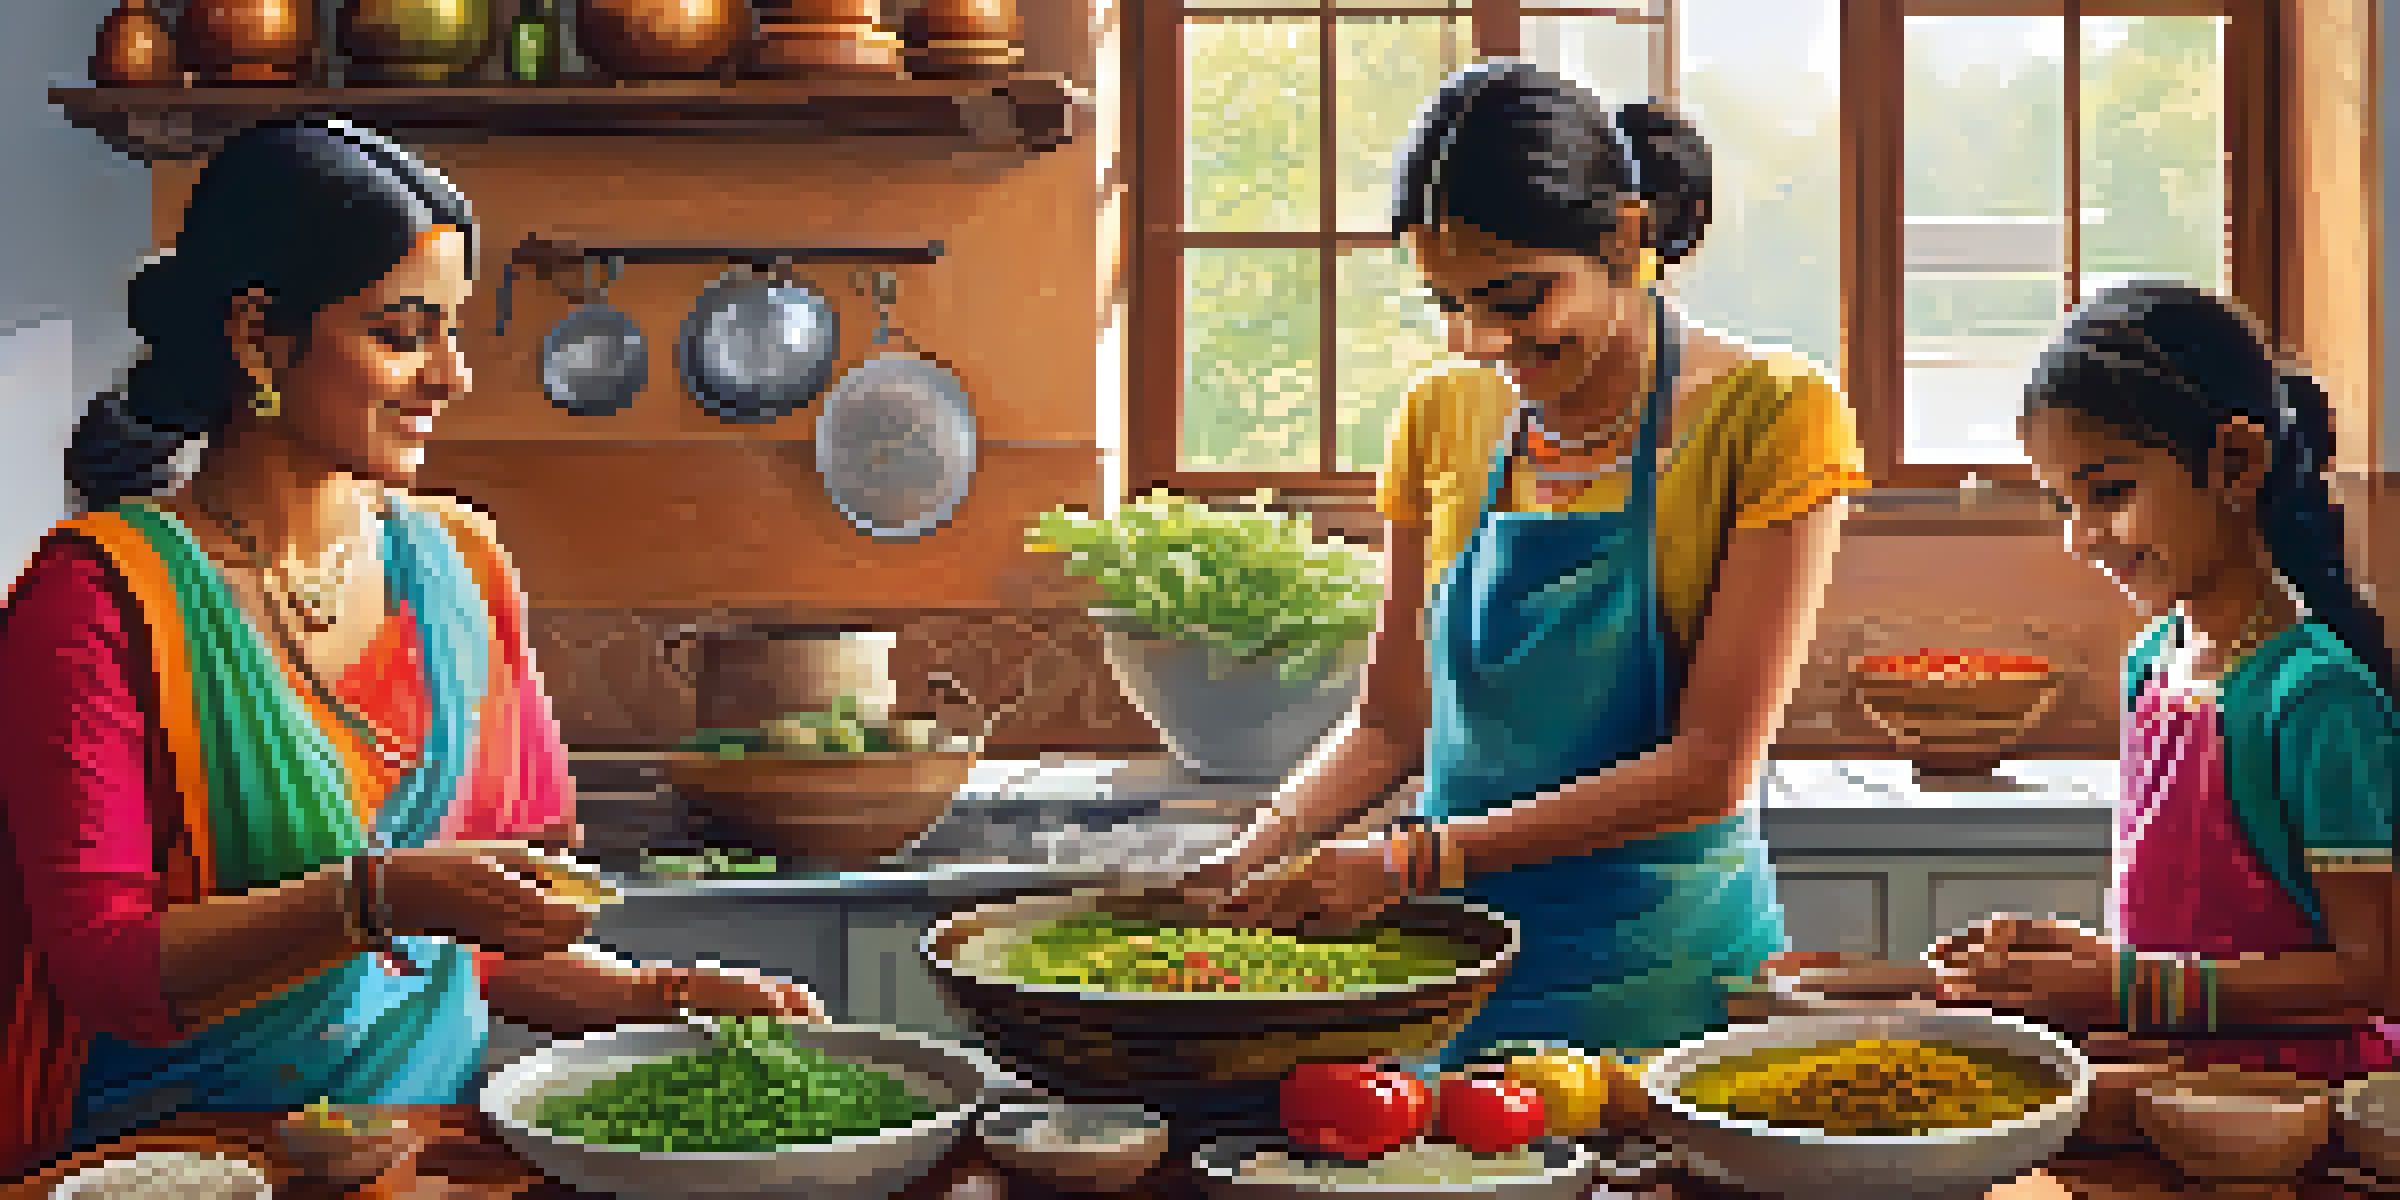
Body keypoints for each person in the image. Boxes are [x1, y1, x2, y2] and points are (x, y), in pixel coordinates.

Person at [0, 117, 822, 1177]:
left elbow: (479, 946)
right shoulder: (99, 598)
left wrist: (663, 995)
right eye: (402, 333)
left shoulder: (461, 570)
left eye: (454, 331)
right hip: (189, 1167)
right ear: (259, 337)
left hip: (430, 1162)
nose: (452, 376)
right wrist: (374, 896)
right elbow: (107, 971)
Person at [1178, 62, 1870, 1064]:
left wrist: (1414, 857)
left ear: (1625, 236)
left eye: (1514, 299)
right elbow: (1391, 723)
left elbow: (1711, 769)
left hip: (1667, 985)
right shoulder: (1443, 415)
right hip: (1450, 975)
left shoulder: (1770, 413)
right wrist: (1255, 847)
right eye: (1447, 305)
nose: (1480, 342)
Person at [1935, 280, 2399, 1080]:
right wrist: (2074, 962)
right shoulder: (2153, 665)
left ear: (2235, 463)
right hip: (2170, 1094)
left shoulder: (2319, 701)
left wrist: (2122, 989)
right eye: (2063, 502)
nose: (2083, 539)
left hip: (2292, 1121)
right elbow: (2193, 946)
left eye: (2110, 492)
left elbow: (2374, 976)